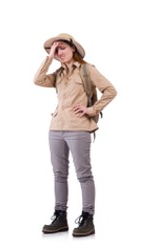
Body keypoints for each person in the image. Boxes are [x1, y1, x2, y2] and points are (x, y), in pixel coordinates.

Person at [34, 33, 117, 237]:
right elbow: (37, 80)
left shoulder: (87, 70)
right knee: (59, 174)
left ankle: (88, 218)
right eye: (55, 50)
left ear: (73, 49)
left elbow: (111, 90)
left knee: (84, 174)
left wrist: (92, 110)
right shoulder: (58, 74)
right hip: (56, 128)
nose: (58, 52)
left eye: (61, 48)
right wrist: (48, 57)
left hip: (78, 128)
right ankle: (60, 215)